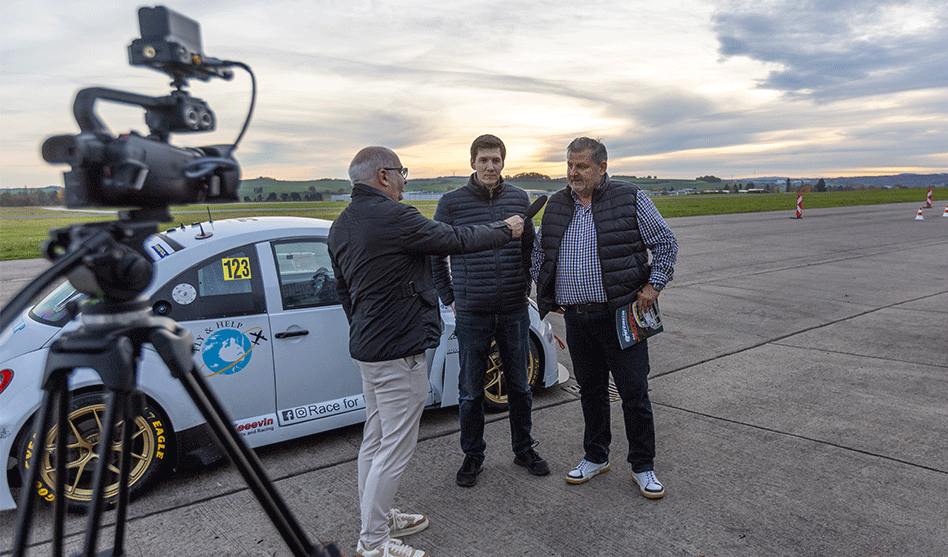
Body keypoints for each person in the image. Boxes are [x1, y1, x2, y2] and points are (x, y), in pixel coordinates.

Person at [329, 146, 523, 557]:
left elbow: (344, 292)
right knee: (394, 448)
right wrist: (506, 230)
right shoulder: (395, 217)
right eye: (401, 173)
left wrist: (368, 328)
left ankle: (378, 518)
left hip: (369, 348)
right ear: (383, 176)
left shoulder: (341, 224)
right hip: (398, 350)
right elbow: (453, 239)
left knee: (376, 437)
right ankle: (374, 542)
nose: (405, 180)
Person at [531, 137, 678, 499]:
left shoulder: (629, 197)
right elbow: (541, 253)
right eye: (569, 165)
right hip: (578, 320)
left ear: (602, 168)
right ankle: (596, 456)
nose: (573, 173)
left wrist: (653, 285)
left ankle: (643, 466)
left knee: (634, 392)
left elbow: (665, 243)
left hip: (621, 315)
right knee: (591, 392)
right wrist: (545, 287)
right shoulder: (556, 205)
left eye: (581, 166)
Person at [431, 134, 549, 488]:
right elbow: (437, 252)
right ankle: (473, 455)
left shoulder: (518, 198)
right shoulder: (451, 203)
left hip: (513, 307)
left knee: (520, 385)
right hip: (472, 310)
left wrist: (524, 283)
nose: (490, 166)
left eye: (496, 160)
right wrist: (449, 295)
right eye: (483, 160)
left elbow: (529, 248)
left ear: (503, 162)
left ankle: (523, 447)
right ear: (472, 163)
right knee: (469, 389)